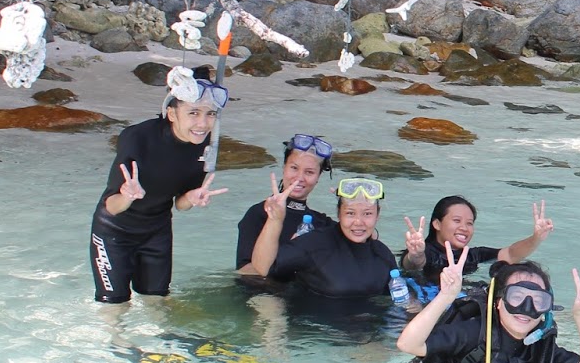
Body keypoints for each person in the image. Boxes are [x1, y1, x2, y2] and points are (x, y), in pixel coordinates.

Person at [90, 67, 230, 303]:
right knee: (114, 304)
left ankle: (160, 340)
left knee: (156, 300)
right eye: (193, 113)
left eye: (211, 114)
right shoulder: (137, 138)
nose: (203, 123)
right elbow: (111, 207)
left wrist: (193, 197)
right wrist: (128, 195)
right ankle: (117, 341)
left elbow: (180, 205)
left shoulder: (204, 147)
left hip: (157, 230)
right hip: (115, 230)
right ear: (171, 114)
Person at [396, 250, 580, 363]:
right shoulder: (473, 332)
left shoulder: (538, 346)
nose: (526, 309)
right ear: (498, 301)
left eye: (538, 301)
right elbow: (408, 344)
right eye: (516, 297)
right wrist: (446, 296)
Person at [238, 176, 395, 299]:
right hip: (317, 334)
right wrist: (275, 219)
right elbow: (263, 267)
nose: (358, 222)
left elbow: (399, 297)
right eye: (350, 213)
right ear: (339, 213)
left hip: (366, 331)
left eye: (367, 214)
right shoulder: (314, 244)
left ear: (377, 216)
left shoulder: (383, 255)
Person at [398, 195, 552, 302]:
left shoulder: (473, 255)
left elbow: (511, 254)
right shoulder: (427, 252)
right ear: (437, 224)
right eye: (457, 220)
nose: (464, 228)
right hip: (422, 304)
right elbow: (412, 264)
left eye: (469, 223)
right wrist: (416, 254)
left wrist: (536, 238)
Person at [234, 133, 337, 270]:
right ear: (284, 168)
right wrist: (290, 253)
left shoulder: (322, 224)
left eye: (309, 172)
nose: (299, 178)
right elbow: (245, 271)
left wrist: (351, 202)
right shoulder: (259, 213)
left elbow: (363, 241)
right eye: (294, 168)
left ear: (318, 177)